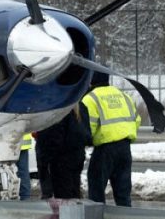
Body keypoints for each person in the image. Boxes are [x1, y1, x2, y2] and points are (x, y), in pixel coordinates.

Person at [83, 71, 140, 206]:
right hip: (125, 148)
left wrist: (84, 143)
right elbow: (136, 120)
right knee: (123, 191)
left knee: (96, 189)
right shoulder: (123, 95)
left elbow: (87, 127)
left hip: (105, 149)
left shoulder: (90, 98)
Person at [34, 103, 90, 199]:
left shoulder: (59, 109)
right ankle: (76, 212)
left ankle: (68, 213)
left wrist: (44, 159)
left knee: (64, 195)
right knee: (74, 190)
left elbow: (53, 137)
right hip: (77, 154)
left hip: (61, 159)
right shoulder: (81, 106)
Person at [17, 132, 33, 200]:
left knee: (22, 170)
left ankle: (25, 196)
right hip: (21, 140)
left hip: (17, 140)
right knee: (22, 170)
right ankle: (25, 196)